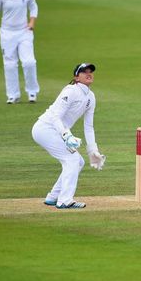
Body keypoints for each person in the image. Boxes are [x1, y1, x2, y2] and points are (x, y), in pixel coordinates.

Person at [32, 63, 106, 209]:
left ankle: (53, 197)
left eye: (90, 71)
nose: (89, 73)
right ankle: (65, 200)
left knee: (78, 161)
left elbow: (89, 126)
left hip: (56, 131)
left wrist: (93, 151)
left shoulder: (91, 97)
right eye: (84, 72)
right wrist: (66, 135)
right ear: (76, 77)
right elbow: (55, 116)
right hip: (45, 129)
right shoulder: (71, 90)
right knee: (71, 159)